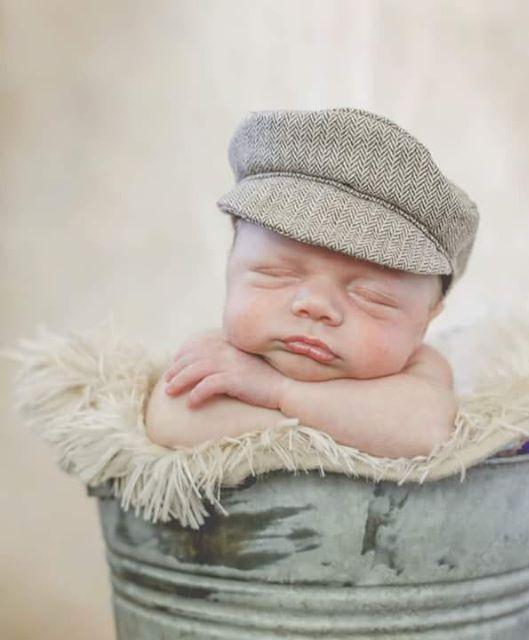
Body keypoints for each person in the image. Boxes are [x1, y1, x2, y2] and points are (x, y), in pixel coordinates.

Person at [145, 107, 479, 458]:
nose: (316, 305)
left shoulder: (420, 368)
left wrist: (278, 392)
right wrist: (347, 425)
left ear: (425, 321)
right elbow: (170, 420)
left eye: (371, 296)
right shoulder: (222, 353)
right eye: (276, 274)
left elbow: (426, 432)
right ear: (232, 268)